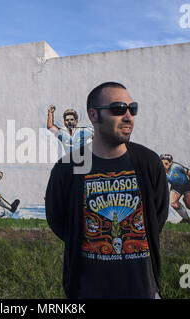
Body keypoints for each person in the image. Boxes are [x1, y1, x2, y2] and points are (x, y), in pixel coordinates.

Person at [45, 82, 169, 299]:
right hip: (87, 291)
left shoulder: (148, 162)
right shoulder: (68, 168)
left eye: (133, 109)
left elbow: (156, 217)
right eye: (119, 109)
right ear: (93, 115)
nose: (129, 116)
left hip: (143, 290)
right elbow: (58, 220)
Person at [160, 154, 190, 224]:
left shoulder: (176, 167)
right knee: (173, 203)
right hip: (176, 187)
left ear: (171, 163)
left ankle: (186, 200)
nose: (164, 166)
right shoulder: (160, 171)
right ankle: (186, 219)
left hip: (186, 185)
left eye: (166, 164)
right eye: (162, 164)